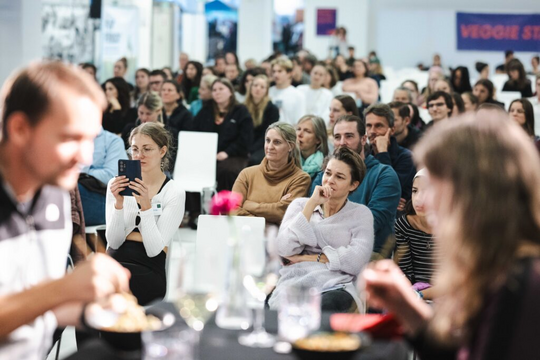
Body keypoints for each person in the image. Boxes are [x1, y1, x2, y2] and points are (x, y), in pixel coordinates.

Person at [362, 112, 540, 359]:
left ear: (477, 192)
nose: (426, 200)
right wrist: (406, 307)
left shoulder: (517, 283)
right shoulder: (495, 265)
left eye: (436, 185)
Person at [0, 62, 130, 358]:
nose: (84, 157)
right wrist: (64, 288)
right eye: (71, 138)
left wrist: (94, 310)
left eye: (91, 139)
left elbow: (33, 307)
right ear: (19, 128)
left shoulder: (56, 191)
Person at [269, 147, 374, 313]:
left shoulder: (361, 214)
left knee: (322, 307)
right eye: (328, 173)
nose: (330, 181)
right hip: (295, 280)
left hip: (337, 285)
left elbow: (357, 261)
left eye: (339, 177)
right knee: (272, 306)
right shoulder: (300, 205)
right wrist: (311, 204)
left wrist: (309, 257)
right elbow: (283, 247)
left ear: (353, 185)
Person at [107, 122, 185, 305]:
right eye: (135, 149)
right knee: (85, 290)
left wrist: (145, 206)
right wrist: (118, 205)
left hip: (148, 266)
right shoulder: (116, 184)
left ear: (162, 151)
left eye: (147, 149)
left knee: (114, 289)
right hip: (116, 259)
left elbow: (153, 249)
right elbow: (114, 241)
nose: (139, 155)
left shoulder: (174, 192)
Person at [311, 115, 401, 259]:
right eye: (337, 137)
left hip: (368, 253)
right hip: (323, 248)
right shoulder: (325, 173)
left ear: (363, 139)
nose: (342, 143)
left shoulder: (384, 174)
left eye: (349, 136)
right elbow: (313, 213)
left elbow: (370, 223)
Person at [232, 122, 311, 225]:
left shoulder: (301, 179)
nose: (270, 146)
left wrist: (248, 205)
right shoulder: (246, 174)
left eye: (277, 142)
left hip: (276, 239)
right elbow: (232, 209)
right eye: (268, 140)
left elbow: (283, 212)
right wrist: (264, 226)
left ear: (290, 146)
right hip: (245, 235)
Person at [193, 78, 254, 191]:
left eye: (221, 88)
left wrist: (227, 152)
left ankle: (226, 206)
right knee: (193, 168)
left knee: (226, 171)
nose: (217, 92)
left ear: (230, 92)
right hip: (208, 154)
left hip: (234, 154)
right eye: (214, 90)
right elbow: (195, 132)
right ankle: (196, 207)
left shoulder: (241, 111)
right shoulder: (206, 110)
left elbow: (245, 138)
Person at [394, 168, 437, 301]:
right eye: (414, 191)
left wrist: (421, 295)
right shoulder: (403, 225)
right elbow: (404, 275)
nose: (418, 198)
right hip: (415, 296)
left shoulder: (452, 226)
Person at [365, 104, 415, 205]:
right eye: (369, 126)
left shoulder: (407, 157)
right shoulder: (362, 155)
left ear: (392, 130)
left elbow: (388, 189)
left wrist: (383, 152)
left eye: (378, 126)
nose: (372, 131)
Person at [78, 128, 128, 226]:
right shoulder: (72, 139)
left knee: (69, 192)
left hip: (103, 197)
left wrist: (83, 171)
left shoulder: (112, 141)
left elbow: (112, 176)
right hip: (78, 190)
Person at [245, 74, 280, 165]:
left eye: (262, 87)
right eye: (255, 85)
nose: (258, 89)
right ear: (250, 87)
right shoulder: (242, 107)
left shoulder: (272, 109)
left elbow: (266, 134)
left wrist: (250, 150)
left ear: (266, 91)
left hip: (263, 145)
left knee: (254, 160)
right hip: (244, 144)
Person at [269, 58, 306, 126]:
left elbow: (299, 122)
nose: (276, 75)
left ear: (289, 73)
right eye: (274, 71)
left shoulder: (298, 95)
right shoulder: (268, 92)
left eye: (280, 71)